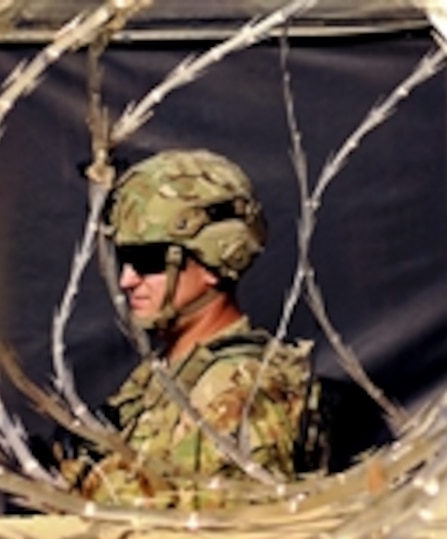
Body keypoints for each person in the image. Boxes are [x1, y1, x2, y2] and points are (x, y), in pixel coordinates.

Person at [60, 148, 316, 508]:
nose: (127, 279)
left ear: (215, 258)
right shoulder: (168, 373)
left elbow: (217, 533)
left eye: (149, 261)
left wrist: (90, 482)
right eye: (125, 260)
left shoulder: (238, 387)